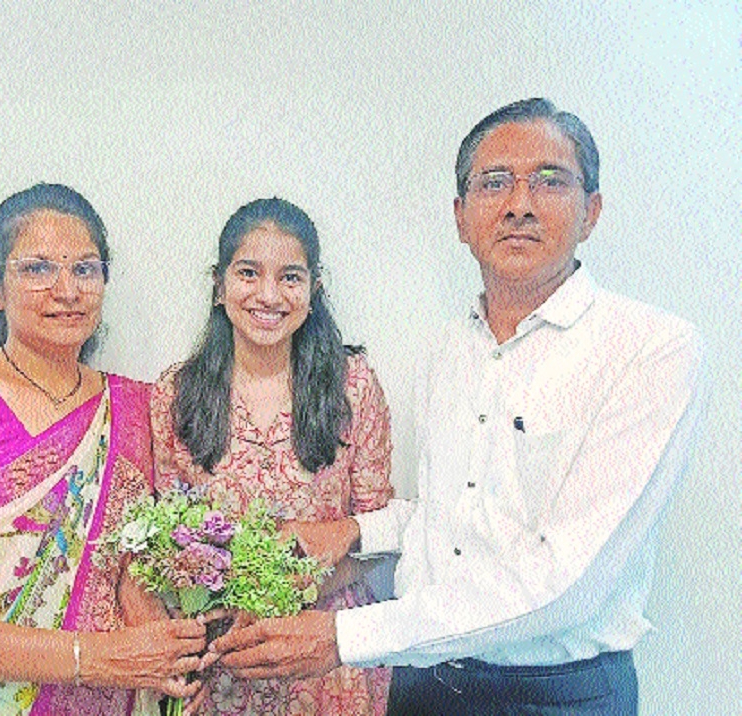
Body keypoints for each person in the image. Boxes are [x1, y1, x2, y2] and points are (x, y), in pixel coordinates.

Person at [210, 99, 707, 715]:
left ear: (592, 211)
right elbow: (452, 517)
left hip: (554, 696)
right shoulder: (448, 349)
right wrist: (354, 530)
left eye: (549, 180)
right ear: (461, 217)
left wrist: (344, 637)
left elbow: (568, 582)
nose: (519, 204)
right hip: (424, 685)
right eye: (495, 182)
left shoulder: (649, 349)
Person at [0, 183, 212, 715]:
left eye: (84, 269)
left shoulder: (135, 406)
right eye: (37, 269)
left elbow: (124, 570)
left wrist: (168, 662)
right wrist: (90, 657)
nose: (66, 290)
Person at [149, 197, 394, 715]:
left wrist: (285, 603)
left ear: (314, 289)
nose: (268, 295)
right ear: (218, 286)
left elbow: (377, 534)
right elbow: (170, 540)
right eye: (248, 273)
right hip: (221, 655)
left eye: (289, 277)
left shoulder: (352, 385)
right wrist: (218, 616)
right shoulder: (178, 392)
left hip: (324, 650)